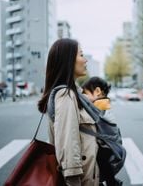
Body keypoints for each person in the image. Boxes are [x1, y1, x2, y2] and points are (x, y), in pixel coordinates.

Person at [38, 38, 99, 185]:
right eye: (81, 55)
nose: (85, 60)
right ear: (68, 60)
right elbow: (68, 144)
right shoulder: (65, 95)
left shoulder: (76, 94)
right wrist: (73, 181)